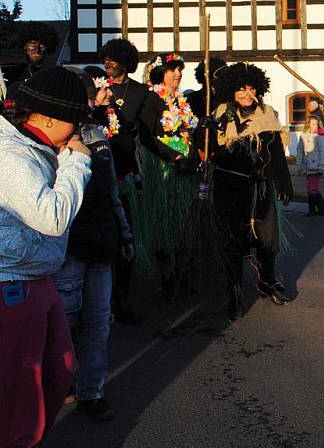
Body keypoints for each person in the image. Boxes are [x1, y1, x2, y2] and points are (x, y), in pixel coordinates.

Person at [0, 67, 92, 447]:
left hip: (37, 275)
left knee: (60, 368)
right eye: (75, 121)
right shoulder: (10, 154)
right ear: (49, 117)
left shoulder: (36, 147)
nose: (78, 132)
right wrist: (77, 163)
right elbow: (51, 217)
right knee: (22, 390)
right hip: (12, 282)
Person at [53, 68, 134, 422]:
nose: (94, 100)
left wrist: (125, 233)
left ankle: (92, 393)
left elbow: (112, 193)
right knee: (67, 324)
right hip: (68, 248)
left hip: (102, 245)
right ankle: (62, 383)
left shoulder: (99, 137)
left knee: (99, 324)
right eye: (89, 94)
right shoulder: (51, 142)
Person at [208, 62, 293, 318]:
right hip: (230, 189)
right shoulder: (221, 115)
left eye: (251, 88)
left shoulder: (268, 114)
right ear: (231, 91)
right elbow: (214, 154)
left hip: (261, 188)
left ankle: (268, 283)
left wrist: (284, 183)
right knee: (232, 244)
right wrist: (205, 132)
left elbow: (276, 152)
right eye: (241, 90)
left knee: (267, 242)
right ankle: (233, 294)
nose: (247, 94)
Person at [97, 38, 150, 324]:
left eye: (113, 59)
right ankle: (100, 302)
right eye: (106, 58)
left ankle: (123, 299)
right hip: (98, 171)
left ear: (125, 63)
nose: (108, 63)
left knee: (125, 237)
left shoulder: (140, 92)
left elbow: (152, 129)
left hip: (125, 171)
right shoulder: (96, 89)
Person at [136, 53, 198, 296]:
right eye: (172, 70)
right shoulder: (152, 100)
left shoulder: (182, 101)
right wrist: (172, 156)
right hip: (164, 168)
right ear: (160, 74)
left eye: (179, 70)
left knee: (183, 222)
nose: (178, 74)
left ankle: (182, 271)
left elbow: (187, 132)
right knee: (165, 221)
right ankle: (167, 275)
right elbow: (146, 136)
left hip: (186, 168)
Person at [4, 22, 60, 91]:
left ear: (48, 47)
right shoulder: (13, 74)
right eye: (33, 43)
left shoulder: (54, 76)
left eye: (42, 44)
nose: (37, 49)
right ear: (25, 46)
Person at [296, 117, 324, 216]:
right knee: (313, 189)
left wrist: (322, 165)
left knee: (311, 189)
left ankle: (312, 210)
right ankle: (321, 210)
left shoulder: (320, 137)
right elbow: (299, 150)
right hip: (306, 165)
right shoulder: (303, 136)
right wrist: (299, 164)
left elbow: (323, 152)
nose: (315, 126)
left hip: (316, 166)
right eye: (313, 124)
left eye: (316, 124)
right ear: (308, 124)